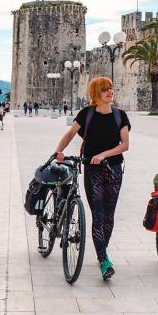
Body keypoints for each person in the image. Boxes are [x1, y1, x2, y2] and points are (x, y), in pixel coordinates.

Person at [54, 77, 130, 280]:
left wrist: (104, 155)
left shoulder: (120, 116)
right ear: (96, 94)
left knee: (109, 216)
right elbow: (71, 133)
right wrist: (59, 151)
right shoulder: (86, 114)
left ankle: (101, 250)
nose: (109, 92)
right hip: (92, 170)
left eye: (111, 88)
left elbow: (125, 145)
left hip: (114, 169)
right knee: (98, 213)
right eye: (105, 89)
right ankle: (104, 259)